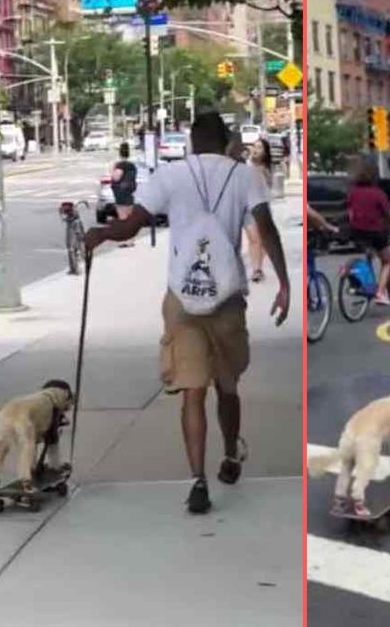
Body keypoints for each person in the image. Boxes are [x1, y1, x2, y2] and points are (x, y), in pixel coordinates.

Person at [83, 112, 290, 514]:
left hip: (183, 296)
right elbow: (267, 230)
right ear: (226, 139)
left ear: (192, 141)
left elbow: (131, 227)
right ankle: (230, 454)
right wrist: (283, 284)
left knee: (191, 391)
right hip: (227, 295)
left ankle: (197, 480)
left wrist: (101, 234)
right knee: (227, 386)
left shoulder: (170, 176)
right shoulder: (245, 176)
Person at [345, 156, 390, 306]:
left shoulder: (353, 192)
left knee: (370, 252)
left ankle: (365, 281)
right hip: (375, 232)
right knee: (388, 261)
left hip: (356, 231)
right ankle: (380, 293)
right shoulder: (378, 194)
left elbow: (350, 212)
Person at [244, 139, 274, 283]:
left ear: (265, 151)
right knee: (253, 239)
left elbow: (269, 183)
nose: (256, 149)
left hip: (262, 205)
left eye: (260, 147)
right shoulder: (247, 164)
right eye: (254, 146)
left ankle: (258, 265)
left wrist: (262, 171)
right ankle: (256, 269)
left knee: (264, 242)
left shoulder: (267, 167)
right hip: (247, 206)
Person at [110, 143, 138, 248]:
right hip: (130, 192)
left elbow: (116, 177)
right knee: (129, 217)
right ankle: (131, 239)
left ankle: (125, 240)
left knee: (122, 217)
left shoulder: (120, 165)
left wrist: (112, 171)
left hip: (120, 193)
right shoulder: (132, 165)